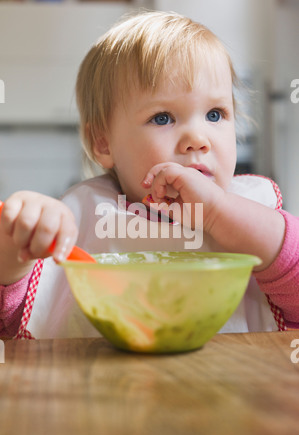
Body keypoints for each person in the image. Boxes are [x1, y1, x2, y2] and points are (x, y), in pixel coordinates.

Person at [0, 11, 298, 339]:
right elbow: (9, 321)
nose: (199, 139)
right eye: (162, 118)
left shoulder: (250, 212)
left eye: (215, 114)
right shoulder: (86, 216)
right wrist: (15, 246)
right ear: (103, 142)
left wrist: (216, 213)